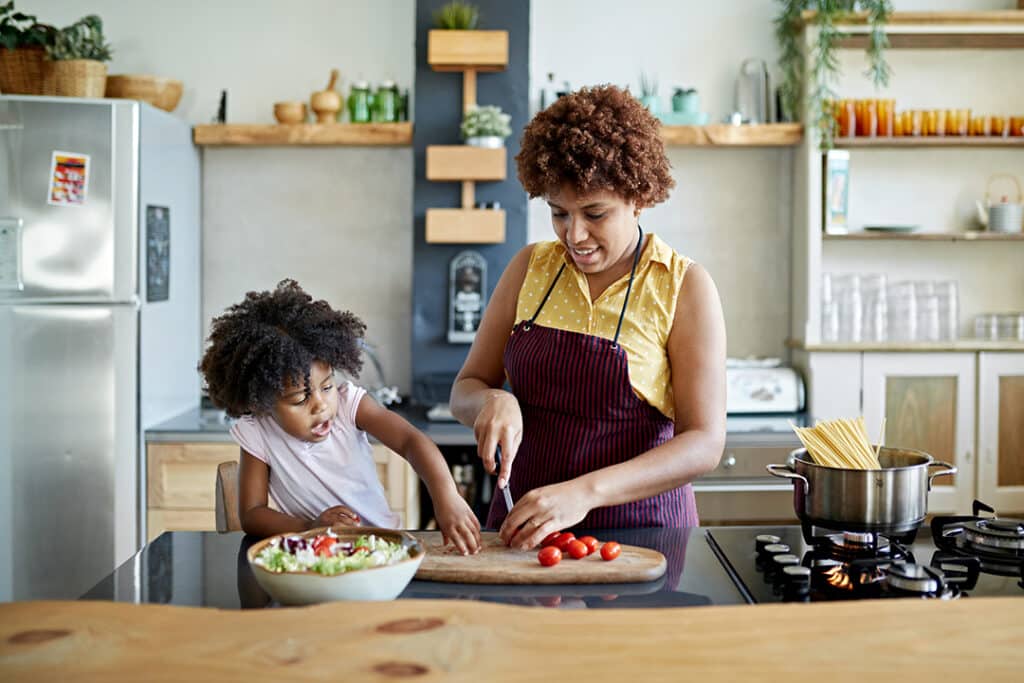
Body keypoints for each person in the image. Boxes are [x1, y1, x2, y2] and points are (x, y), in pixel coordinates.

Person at [450, 85, 726, 549]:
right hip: (524, 530)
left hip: (642, 539)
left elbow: (704, 442)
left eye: (595, 214)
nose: (574, 235)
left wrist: (584, 493)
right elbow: (466, 388)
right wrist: (492, 401)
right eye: (559, 214)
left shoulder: (681, 285)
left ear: (638, 197)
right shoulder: (530, 268)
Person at [200, 279, 481, 554]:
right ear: (263, 403)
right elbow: (252, 513)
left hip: (383, 549)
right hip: (314, 558)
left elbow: (411, 440)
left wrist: (446, 496)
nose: (321, 405)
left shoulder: (349, 405)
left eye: (327, 386)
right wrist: (311, 526)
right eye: (299, 399)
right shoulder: (258, 431)